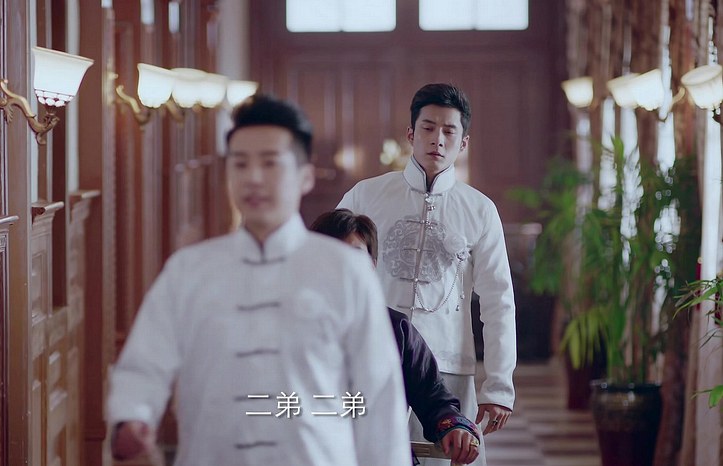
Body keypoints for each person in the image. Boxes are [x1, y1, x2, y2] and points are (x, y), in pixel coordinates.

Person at [106, 95, 411, 465]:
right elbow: (144, 366)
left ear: (305, 176)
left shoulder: (346, 272)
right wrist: (133, 417)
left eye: (270, 163)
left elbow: (379, 398)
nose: (253, 178)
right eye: (240, 164)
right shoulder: (189, 271)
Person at [337, 83, 516, 466]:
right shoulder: (365, 196)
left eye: (449, 131)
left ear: (463, 142)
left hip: (448, 367)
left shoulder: (480, 210)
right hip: (371, 361)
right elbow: (326, 271)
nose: (438, 139)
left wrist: (499, 386)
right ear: (411, 133)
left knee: (449, 455)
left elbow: (498, 301)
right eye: (428, 128)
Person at [311, 208, 481, 465]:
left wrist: (454, 427)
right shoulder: (286, 326)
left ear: (372, 265)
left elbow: (433, 397)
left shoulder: (396, 329)